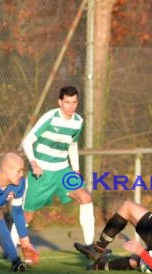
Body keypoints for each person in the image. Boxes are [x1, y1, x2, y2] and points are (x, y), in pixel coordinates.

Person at [11, 86, 95, 256]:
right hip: (42, 172)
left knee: (86, 198)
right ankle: (11, 249)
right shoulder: (50, 118)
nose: (70, 106)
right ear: (60, 102)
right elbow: (27, 142)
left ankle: (90, 247)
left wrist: (76, 169)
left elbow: (72, 145)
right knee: (27, 216)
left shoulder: (78, 121)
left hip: (63, 170)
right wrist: (34, 163)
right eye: (67, 102)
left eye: (74, 102)